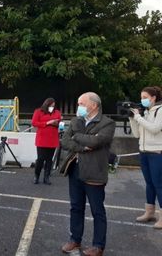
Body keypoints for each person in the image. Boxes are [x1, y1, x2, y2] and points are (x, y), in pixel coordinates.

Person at [60, 92, 115, 256]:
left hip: (94, 171)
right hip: (75, 169)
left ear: (94, 105)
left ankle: (98, 246)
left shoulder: (107, 123)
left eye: (82, 104)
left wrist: (77, 136)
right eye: (78, 104)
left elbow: (97, 142)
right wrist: (83, 146)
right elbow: (64, 141)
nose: (79, 107)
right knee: (76, 207)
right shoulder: (76, 120)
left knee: (97, 210)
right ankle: (74, 240)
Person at [129, 86, 162, 229]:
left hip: (156, 152)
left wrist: (138, 117)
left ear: (153, 98)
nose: (142, 100)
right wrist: (132, 119)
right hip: (143, 151)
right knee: (149, 183)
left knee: (159, 184)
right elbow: (137, 134)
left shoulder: (160, 111)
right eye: (141, 98)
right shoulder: (146, 112)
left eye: (145, 98)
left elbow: (155, 129)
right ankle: (150, 212)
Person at [31, 98, 62, 185]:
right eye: (50, 105)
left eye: (53, 105)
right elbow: (34, 123)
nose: (52, 107)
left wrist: (57, 123)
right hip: (42, 139)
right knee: (40, 159)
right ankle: (36, 176)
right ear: (46, 104)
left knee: (49, 159)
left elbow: (59, 122)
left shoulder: (57, 112)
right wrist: (47, 123)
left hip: (52, 139)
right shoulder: (38, 111)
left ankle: (46, 177)